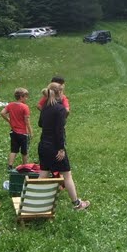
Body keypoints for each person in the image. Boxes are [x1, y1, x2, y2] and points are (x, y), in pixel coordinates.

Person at [38, 82, 90, 211]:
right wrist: (61, 149)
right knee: (67, 175)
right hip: (55, 147)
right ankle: (77, 204)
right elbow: (59, 131)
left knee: (43, 174)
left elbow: (40, 124)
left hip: (43, 146)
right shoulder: (60, 109)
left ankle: (35, 201)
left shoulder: (45, 107)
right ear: (60, 93)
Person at [0, 88, 33, 170]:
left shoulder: (10, 105)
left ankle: (10, 165)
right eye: (25, 97)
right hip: (23, 133)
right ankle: (25, 166)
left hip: (13, 132)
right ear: (21, 97)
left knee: (14, 150)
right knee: (24, 151)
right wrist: (30, 132)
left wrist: (9, 120)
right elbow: (27, 121)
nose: (26, 98)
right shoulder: (25, 107)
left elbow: (2, 113)